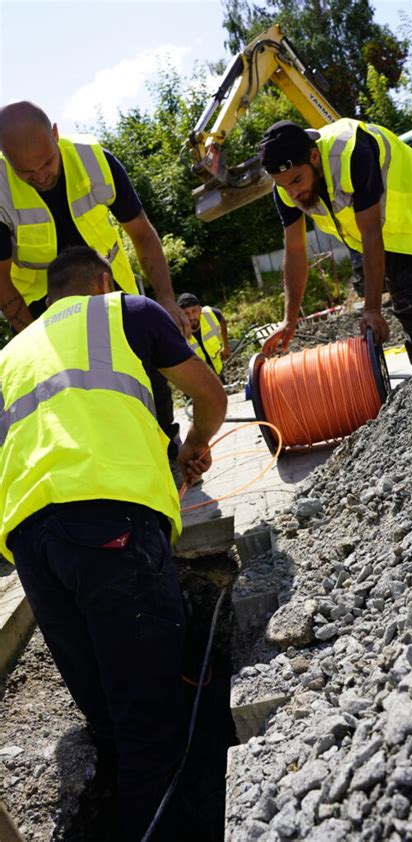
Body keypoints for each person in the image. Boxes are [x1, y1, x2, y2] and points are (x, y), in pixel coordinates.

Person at [0, 245, 227, 841]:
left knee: (107, 715)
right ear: (102, 280)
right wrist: (192, 449)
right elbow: (211, 396)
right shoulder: (127, 310)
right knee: (149, 722)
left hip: (31, 544)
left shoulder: (8, 356)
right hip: (111, 523)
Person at [0, 100, 189, 444]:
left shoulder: (94, 160)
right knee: (70, 391)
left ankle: (167, 447)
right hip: (43, 309)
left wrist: (165, 299)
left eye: (47, 163)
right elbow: (1, 282)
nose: (41, 176)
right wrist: (32, 338)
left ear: (56, 134)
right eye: (26, 172)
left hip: (110, 288)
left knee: (146, 367)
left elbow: (143, 234)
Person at [258, 119, 412, 370]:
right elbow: (295, 250)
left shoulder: (351, 153)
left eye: (296, 180)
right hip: (382, 217)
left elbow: (372, 233)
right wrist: (290, 319)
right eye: (284, 185)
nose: (292, 192)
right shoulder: (285, 189)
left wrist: (372, 309)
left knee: (404, 282)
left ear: (314, 156)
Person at [177, 292, 231, 380]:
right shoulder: (177, 329)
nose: (191, 317)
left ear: (200, 309)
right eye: (186, 313)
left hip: (217, 370)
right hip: (195, 379)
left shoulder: (211, 314)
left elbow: (221, 320)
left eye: (194, 311)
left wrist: (226, 346)